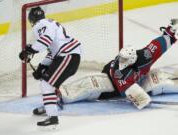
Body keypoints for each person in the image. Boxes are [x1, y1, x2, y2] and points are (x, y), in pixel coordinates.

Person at [33, 20, 178, 114]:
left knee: (160, 79)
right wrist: (141, 98)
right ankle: (61, 96)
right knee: (92, 84)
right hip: (114, 85)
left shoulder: (145, 55)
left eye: (124, 59)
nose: (120, 59)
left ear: (133, 59)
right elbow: (141, 100)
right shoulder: (119, 73)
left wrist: (170, 34)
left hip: (137, 80)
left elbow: (158, 45)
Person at [19, 7, 82, 128]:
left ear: (32, 20)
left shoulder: (39, 24)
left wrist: (30, 50)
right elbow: (52, 50)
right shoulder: (50, 23)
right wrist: (42, 66)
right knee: (47, 81)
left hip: (67, 55)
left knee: (47, 84)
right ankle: (49, 107)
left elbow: (45, 40)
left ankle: (53, 118)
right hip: (68, 55)